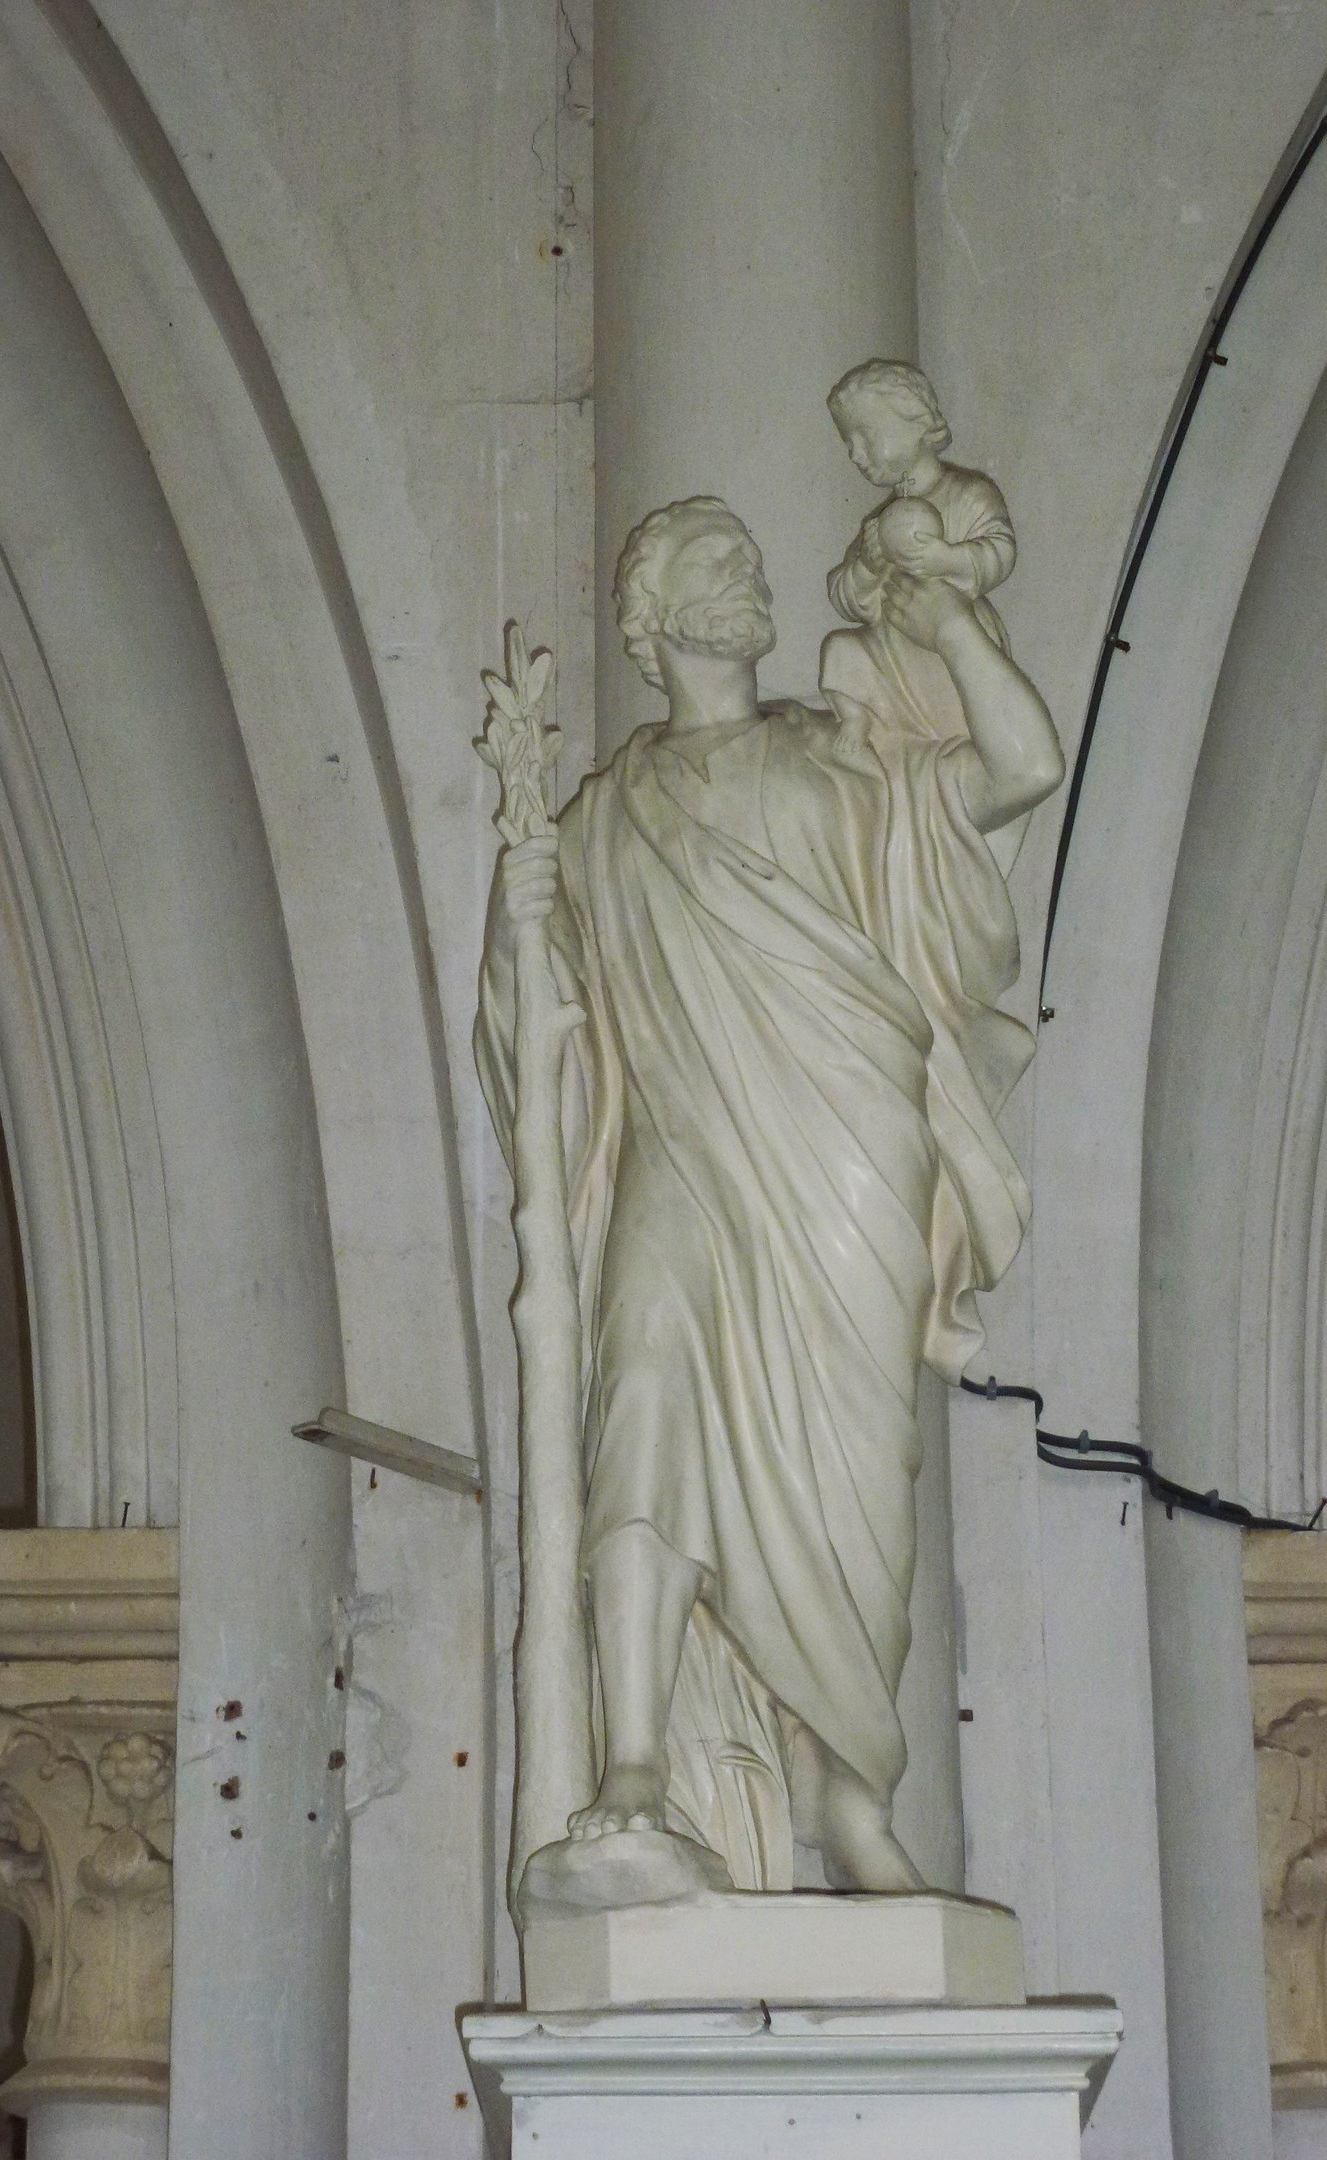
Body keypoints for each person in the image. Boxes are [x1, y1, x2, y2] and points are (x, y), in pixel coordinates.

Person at [476, 496, 1062, 1893]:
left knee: (858, 1478)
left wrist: (949, 623)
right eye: (714, 566)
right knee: (644, 1415)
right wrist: (523, 920)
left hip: (847, 1155)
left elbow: (1022, 767)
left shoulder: (844, 754)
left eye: (749, 559)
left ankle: (854, 1805)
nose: (749, 580)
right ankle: (632, 1768)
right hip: (681, 1156)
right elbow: (536, 1035)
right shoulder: (610, 815)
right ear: (651, 617)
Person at [823, 359, 1018, 749]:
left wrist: (949, 559)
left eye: (865, 436)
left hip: (950, 642)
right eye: (848, 443)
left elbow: (1001, 550)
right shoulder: (878, 522)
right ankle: (860, 717)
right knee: (840, 648)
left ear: (917, 423)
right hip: (892, 652)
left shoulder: (968, 493)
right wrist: (867, 565)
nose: (855, 454)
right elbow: (844, 595)